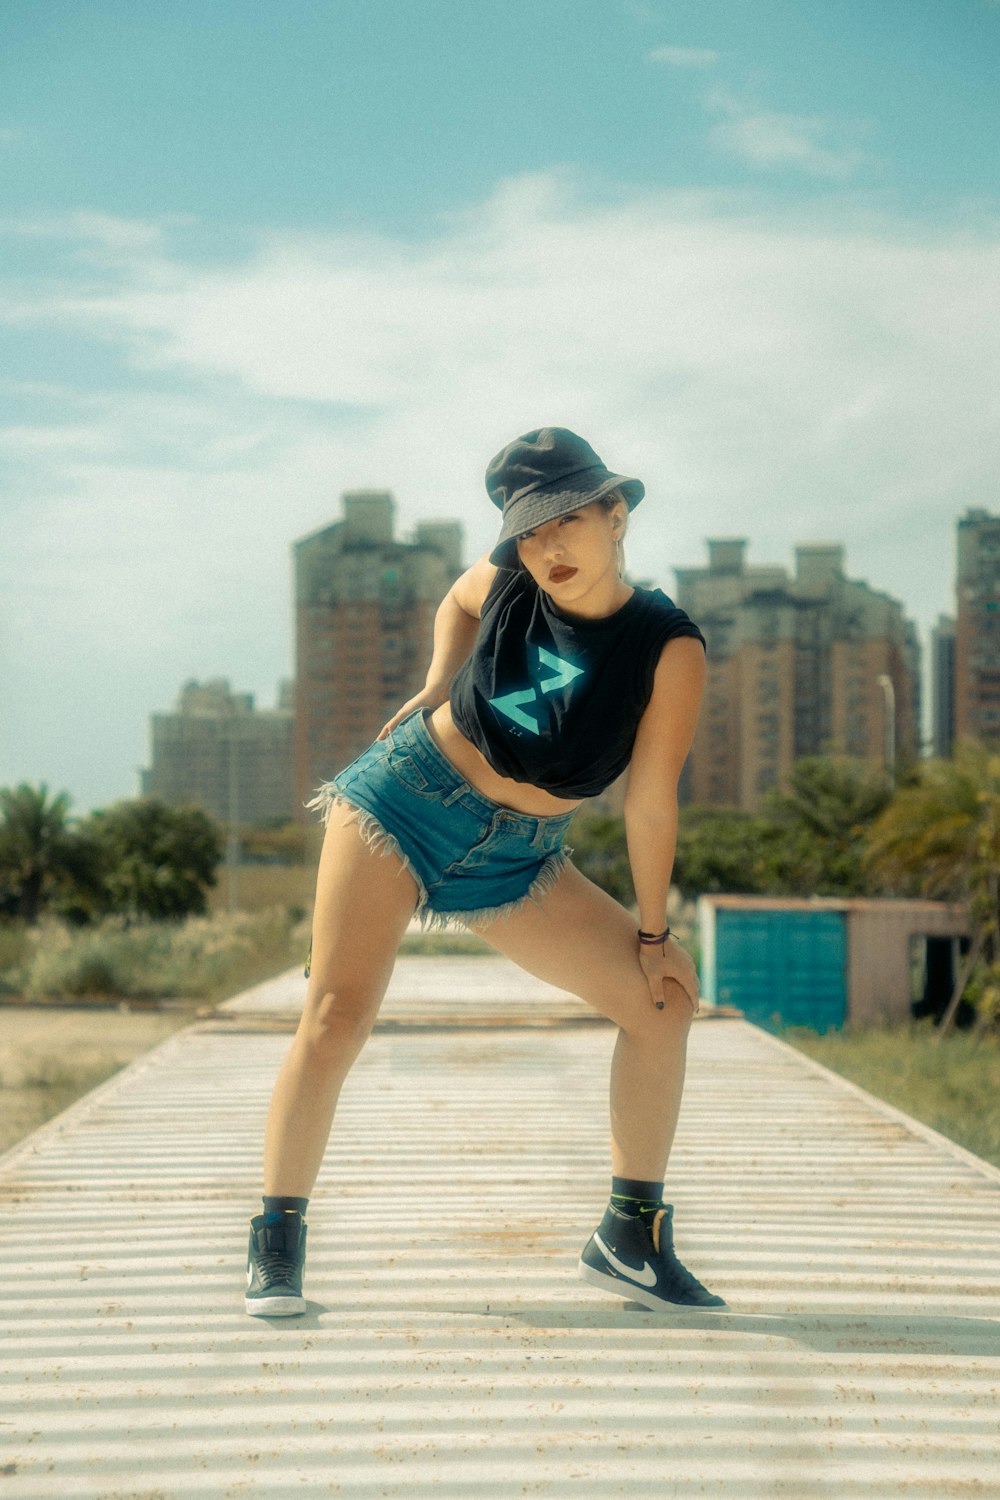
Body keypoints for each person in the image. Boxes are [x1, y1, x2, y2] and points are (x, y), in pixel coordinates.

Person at [245, 426, 726, 1316]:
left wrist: (655, 933)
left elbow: (650, 800)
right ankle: (276, 1243)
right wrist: (437, 680)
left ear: (617, 515)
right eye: (530, 531)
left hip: (519, 856)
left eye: (568, 523)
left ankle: (629, 1236)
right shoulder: (506, 582)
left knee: (664, 1004)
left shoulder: (667, 644)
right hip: (400, 802)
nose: (548, 549)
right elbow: (457, 604)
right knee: (338, 1015)